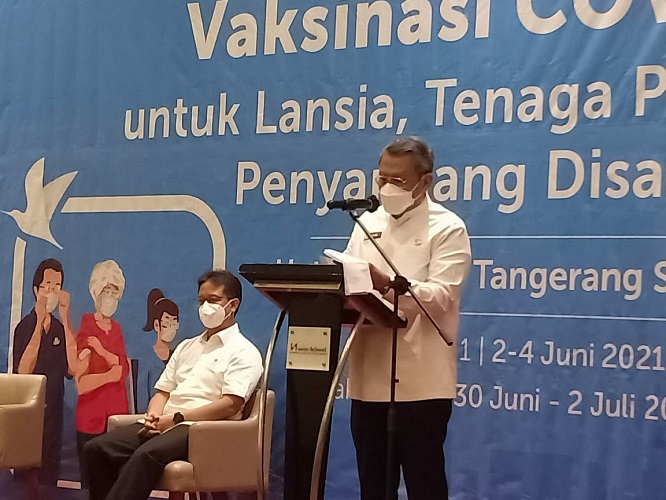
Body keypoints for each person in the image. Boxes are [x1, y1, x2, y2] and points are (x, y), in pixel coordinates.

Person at [344, 137, 471, 500]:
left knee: (424, 483)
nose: (386, 188)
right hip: (369, 377)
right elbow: (349, 281)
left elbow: (442, 296)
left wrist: (388, 283)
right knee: (373, 487)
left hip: (422, 380)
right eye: (381, 178)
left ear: (425, 181)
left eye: (397, 181)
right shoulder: (366, 223)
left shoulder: (447, 227)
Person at [82, 270, 263, 500]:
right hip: (167, 423)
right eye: (201, 301)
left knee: (146, 455)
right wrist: (154, 416)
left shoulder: (244, 351)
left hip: (202, 430)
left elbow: (230, 405)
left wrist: (177, 418)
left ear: (233, 305)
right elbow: (163, 391)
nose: (205, 307)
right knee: (97, 449)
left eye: (213, 300)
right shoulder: (187, 346)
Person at [12, 258, 78, 486]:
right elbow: (23, 372)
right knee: (27, 482)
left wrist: (66, 316)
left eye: (57, 286)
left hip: (54, 415)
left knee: (49, 479)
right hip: (29, 415)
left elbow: (72, 368)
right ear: (35, 290)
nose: (51, 292)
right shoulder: (25, 326)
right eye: (46, 286)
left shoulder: (60, 327)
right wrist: (39, 324)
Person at [75, 259, 130, 485]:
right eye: (106, 291)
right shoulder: (86, 326)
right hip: (91, 418)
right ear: (96, 293)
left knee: (116, 482)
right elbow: (82, 384)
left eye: (114, 292)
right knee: (92, 484)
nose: (110, 297)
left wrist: (102, 351)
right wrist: (109, 375)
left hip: (117, 418)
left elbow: (123, 369)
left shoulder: (116, 329)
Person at [137, 288, 179, 412]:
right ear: (156, 325)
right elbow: (142, 400)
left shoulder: (179, 356)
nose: (170, 328)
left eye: (174, 324)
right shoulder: (146, 360)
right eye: (166, 324)